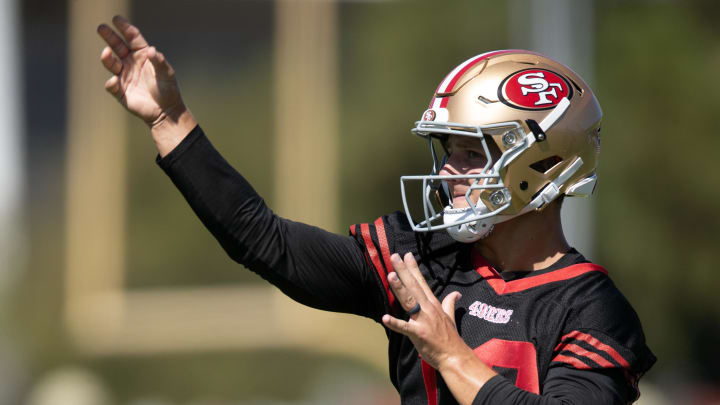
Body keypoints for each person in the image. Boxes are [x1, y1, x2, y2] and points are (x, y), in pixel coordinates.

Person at [97, 15, 656, 405]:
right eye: (448, 151)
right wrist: (169, 123)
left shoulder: (593, 308)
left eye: (470, 152)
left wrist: (453, 356)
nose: (447, 172)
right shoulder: (425, 260)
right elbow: (267, 243)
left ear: (542, 162)